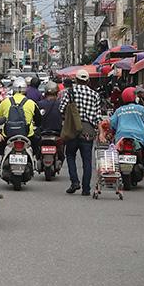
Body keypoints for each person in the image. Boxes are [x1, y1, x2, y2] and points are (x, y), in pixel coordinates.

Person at [59, 68, 104, 196]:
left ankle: (74, 182)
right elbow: (98, 117)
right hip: (88, 130)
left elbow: (61, 108)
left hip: (73, 129)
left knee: (70, 155)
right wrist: (100, 133)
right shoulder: (95, 95)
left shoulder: (70, 92)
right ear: (88, 81)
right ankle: (86, 189)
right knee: (87, 161)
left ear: (76, 80)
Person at [110, 86, 144, 189]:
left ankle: (113, 177)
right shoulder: (140, 109)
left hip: (121, 137)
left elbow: (112, 125)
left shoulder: (119, 110)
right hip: (139, 137)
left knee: (115, 156)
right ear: (135, 97)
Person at [0, 78, 38, 142]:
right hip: (28, 136)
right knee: (36, 148)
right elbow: (39, 120)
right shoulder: (31, 103)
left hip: (8, 135)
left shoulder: (5, 102)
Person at [37, 81, 65, 163]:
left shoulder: (39, 104)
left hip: (42, 132)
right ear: (56, 93)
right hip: (57, 132)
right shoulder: (61, 104)